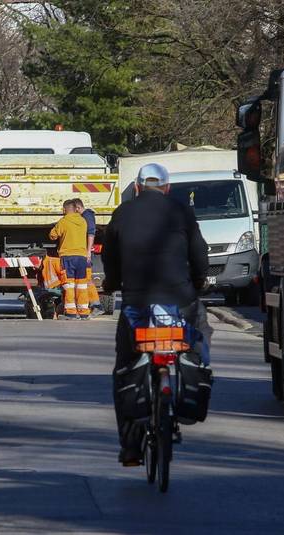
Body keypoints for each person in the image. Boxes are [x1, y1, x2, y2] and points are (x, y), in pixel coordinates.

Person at [102, 163, 212, 466]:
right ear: (166, 188)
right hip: (180, 300)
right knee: (197, 338)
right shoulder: (180, 212)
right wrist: (199, 281)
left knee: (124, 367)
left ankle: (131, 446)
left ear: (137, 188)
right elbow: (199, 254)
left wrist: (111, 284)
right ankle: (192, 374)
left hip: (137, 303)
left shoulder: (122, 213)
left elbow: (109, 257)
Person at [48, 199, 90, 319]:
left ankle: (71, 311)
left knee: (69, 284)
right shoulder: (83, 221)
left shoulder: (63, 221)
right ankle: (84, 311)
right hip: (82, 257)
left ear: (64, 210)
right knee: (82, 284)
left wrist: (56, 226)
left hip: (68, 257)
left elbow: (52, 235)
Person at [72, 198, 104, 317]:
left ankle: (96, 305)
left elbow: (91, 233)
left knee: (86, 279)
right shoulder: (86, 216)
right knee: (86, 279)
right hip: (83, 252)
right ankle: (94, 305)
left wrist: (88, 251)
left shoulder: (87, 216)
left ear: (78, 208)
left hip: (85, 253)